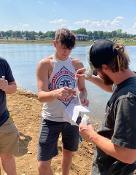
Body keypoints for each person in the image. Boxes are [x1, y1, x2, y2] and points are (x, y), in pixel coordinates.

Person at [78, 39, 136, 175]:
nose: (96, 74)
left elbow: (128, 155)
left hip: (114, 170)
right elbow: (112, 87)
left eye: (97, 71)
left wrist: (91, 135)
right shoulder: (134, 79)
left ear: (105, 67)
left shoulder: (127, 100)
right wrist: (89, 77)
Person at [36, 28, 89, 175]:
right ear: (54, 43)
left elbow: (83, 89)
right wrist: (56, 93)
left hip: (72, 118)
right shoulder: (45, 64)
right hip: (50, 118)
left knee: (68, 154)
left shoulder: (77, 64)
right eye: (63, 47)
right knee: (42, 164)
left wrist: (83, 97)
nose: (66, 52)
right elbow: (40, 96)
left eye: (69, 48)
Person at [0, 57, 18, 175]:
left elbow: (14, 88)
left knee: (7, 155)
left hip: (3, 120)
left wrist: (6, 87)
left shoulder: (2, 62)